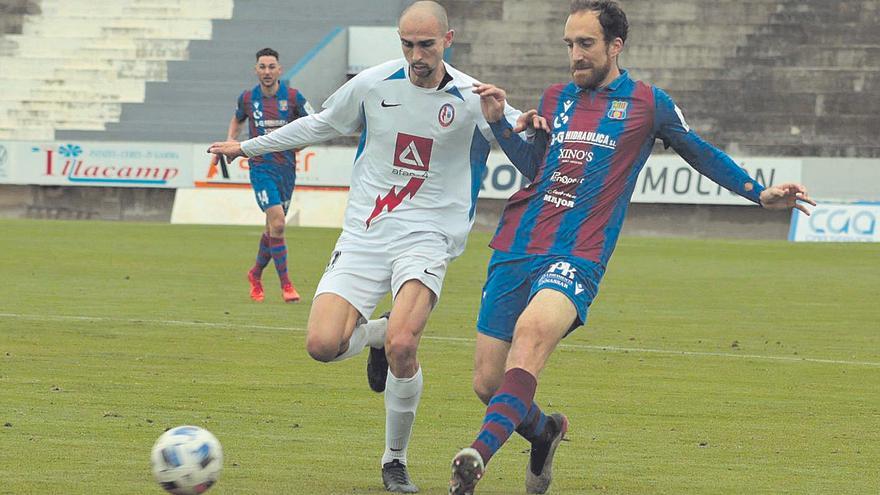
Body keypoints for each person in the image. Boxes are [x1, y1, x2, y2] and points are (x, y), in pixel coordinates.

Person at [449, 1, 817, 494]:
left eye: (585, 44)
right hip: (518, 243)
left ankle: (477, 456)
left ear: (615, 46)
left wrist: (757, 191)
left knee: (533, 333)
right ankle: (547, 431)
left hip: (579, 253)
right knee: (489, 385)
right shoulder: (556, 96)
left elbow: (699, 151)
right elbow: (538, 171)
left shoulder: (648, 103)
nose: (575, 55)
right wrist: (498, 123)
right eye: (569, 44)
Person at [209, 2, 538, 492]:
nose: (416, 55)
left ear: (448, 39)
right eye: (407, 44)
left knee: (407, 343)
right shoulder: (373, 83)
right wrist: (248, 146)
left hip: (428, 236)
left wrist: (515, 125)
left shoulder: (474, 97)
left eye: (426, 44)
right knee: (322, 346)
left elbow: (530, 156)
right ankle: (375, 336)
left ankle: (394, 460)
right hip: (366, 233)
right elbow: (318, 124)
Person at [228, 47, 313, 303]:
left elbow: (315, 123)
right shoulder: (247, 98)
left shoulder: (294, 97)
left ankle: (255, 274)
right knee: (278, 224)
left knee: (271, 228)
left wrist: (302, 144)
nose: (267, 71)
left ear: (279, 69)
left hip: (286, 168)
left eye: (271, 66)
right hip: (260, 167)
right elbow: (237, 120)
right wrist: (231, 141)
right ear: (256, 70)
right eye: (262, 67)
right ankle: (286, 285)